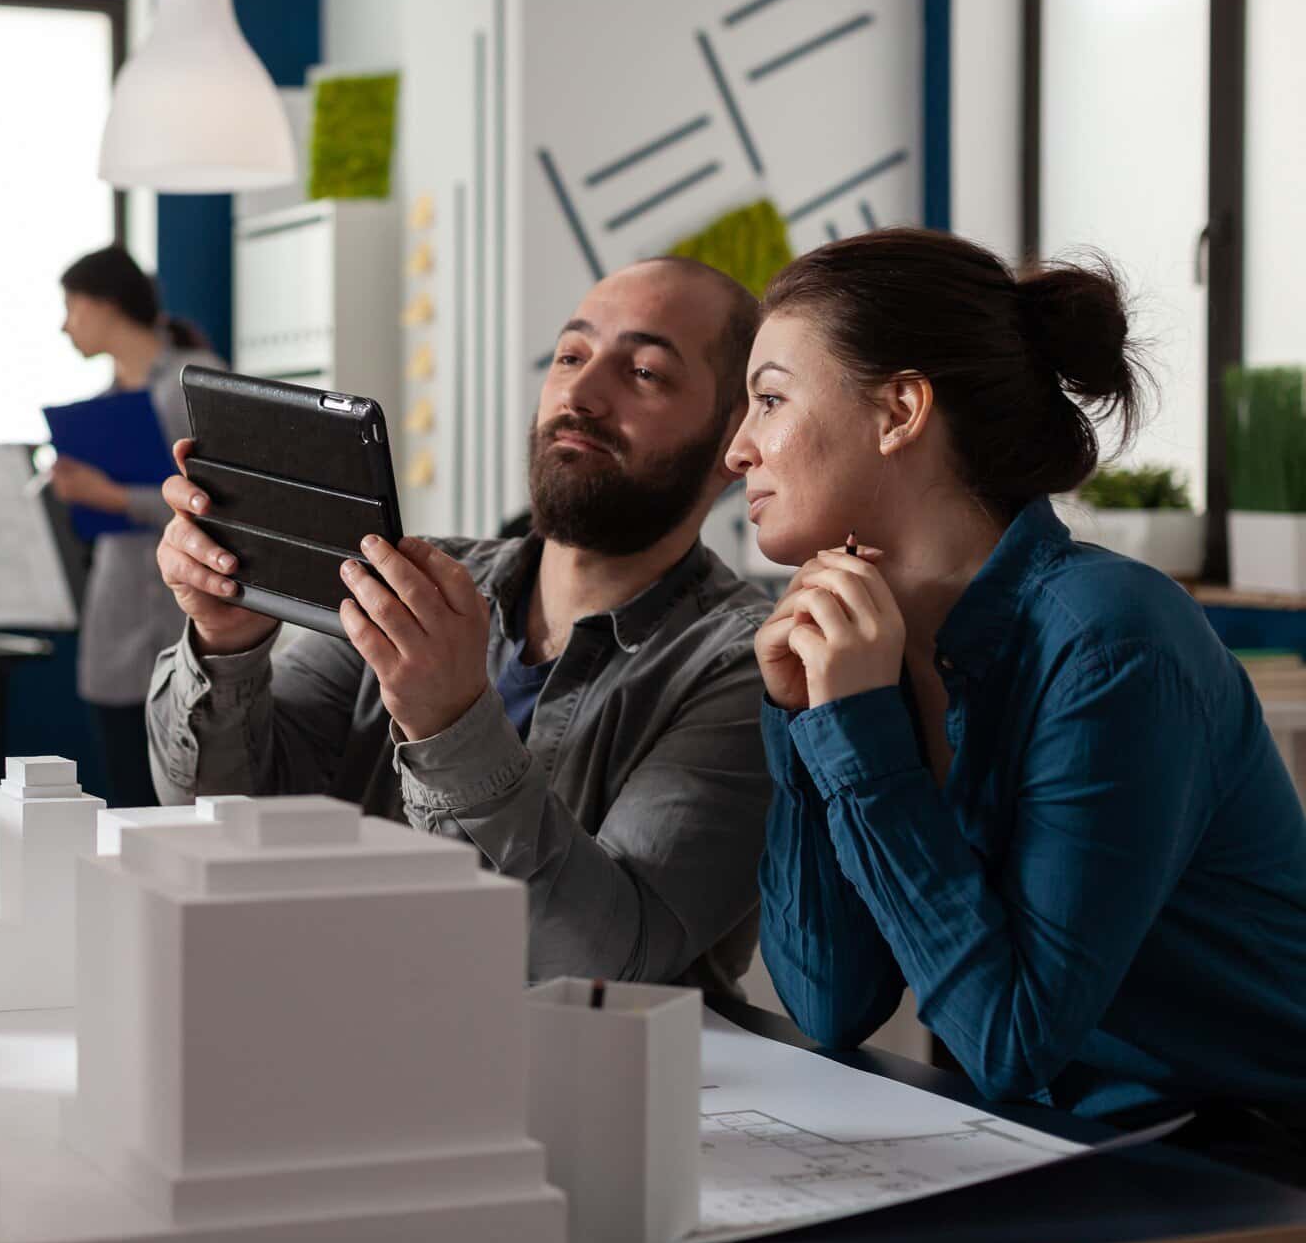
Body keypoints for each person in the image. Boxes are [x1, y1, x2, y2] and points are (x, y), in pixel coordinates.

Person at [728, 228, 1306, 1183]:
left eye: (771, 398)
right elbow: (831, 1001)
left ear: (901, 408)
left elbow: (1009, 1042)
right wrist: (804, 721)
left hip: (1249, 1157)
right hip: (1058, 1145)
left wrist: (857, 740)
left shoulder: (1114, 639)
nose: (738, 446)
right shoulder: (865, 647)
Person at [148, 257, 773, 993]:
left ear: (735, 433)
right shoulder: (414, 581)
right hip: (342, 1034)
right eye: (571, 355)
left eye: (643, 373)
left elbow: (604, 961)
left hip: (589, 1089)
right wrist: (228, 640)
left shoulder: (746, 666)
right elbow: (230, 814)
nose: (581, 392)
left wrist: (450, 722)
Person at [56, 246, 228, 809]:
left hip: (188, 620)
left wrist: (110, 496)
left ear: (105, 306)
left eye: (72, 307)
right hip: (116, 622)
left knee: (188, 803)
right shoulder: (104, 403)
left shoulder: (191, 382)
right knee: (125, 800)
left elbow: (226, 505)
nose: (65, 325)